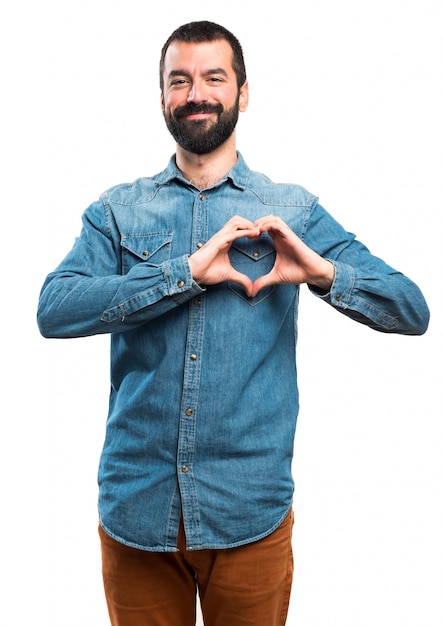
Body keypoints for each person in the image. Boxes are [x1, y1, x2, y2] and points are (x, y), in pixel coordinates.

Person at [37, 20, 430, 626]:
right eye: (180, 80)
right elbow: (54, 309)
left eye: (214, 77)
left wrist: (321, 272)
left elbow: (411, 310)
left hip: (250, 513)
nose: (197, 93)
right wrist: (184, 274)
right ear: (163, 96)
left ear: (243, 93)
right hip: (136, 511)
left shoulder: (292, 210)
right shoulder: (117, 210)